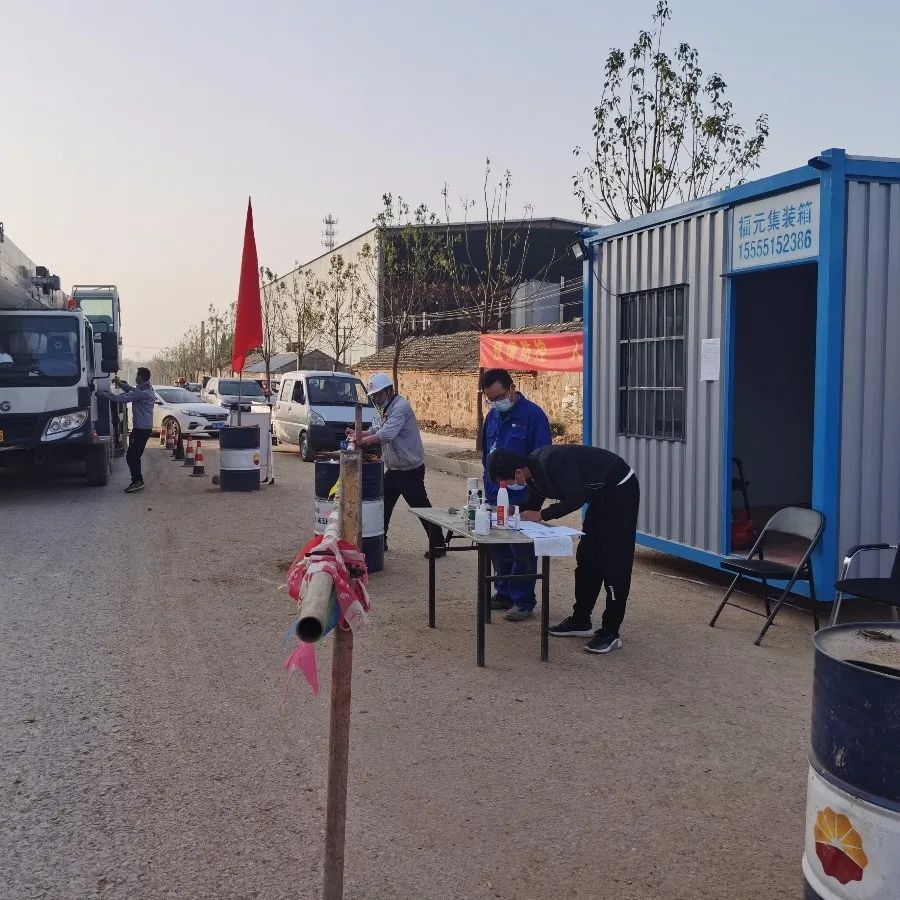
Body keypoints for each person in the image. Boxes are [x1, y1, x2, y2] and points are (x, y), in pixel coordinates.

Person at [488, 444, 639, 655]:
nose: (508, 486)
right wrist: (511, 513)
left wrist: (542, 515)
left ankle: (611, 631)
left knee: (613, 561)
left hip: (620, 487)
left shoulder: (552, 461)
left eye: (508, 482)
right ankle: (581, 620)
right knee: (587, 557)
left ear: (518, 472)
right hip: (599, 497)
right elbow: (532, 505)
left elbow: (576, 497)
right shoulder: (532, 475)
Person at [480, 368, 552, 622]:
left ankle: (523, 600)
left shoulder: (533, 416)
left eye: (499, 397)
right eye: (490, 399)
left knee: (521, 548)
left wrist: (530, 494)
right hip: (495, 492)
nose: (495, 402)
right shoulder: (492, 416)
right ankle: (504, 593)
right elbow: (486, 454)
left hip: (523, 496)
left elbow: (542, 459)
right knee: (498, 546)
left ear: (512, 388)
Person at [353, 372, 446, 558]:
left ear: (388, 391)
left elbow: (385, 435)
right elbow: (376, 429)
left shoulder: (400, 408)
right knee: (383, 504)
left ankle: (438, 545)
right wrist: (359, 434)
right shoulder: (384, 408)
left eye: (378, 394)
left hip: (410, 469)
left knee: (421, 507)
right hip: (395, 468)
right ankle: (380, 540)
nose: (375, 399)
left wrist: (361, 441)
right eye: (373, 396)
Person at [96, 367, 156, 493]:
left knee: (132, 456)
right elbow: (131, 390)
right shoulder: (145, 389)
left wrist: (102, 394)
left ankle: (137, 481)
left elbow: (121, 399)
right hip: (143, 428)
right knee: (134, 456)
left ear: (140, 378)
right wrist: (120, 383)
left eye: (137, 375)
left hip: (141, 429)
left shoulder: (143, 393)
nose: (136, 377)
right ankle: (138, 480)